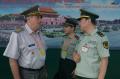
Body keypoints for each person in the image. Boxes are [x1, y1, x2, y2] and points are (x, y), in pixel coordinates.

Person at [3, 5, 47, 79]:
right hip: (28, 74)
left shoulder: (40, 33)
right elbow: (12, 60)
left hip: (42, 71)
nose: (40, 20)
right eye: (38, 17)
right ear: (28, 18)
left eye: (41, 17)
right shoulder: (18, 34)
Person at [74, 9, 110, 79]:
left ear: (88, 20)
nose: (79, 23)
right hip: (77, 75)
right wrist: (75, 56)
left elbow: (104, 60)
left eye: (81, 20)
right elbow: (76, 52)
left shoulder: (101, 37)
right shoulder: (82, 37)